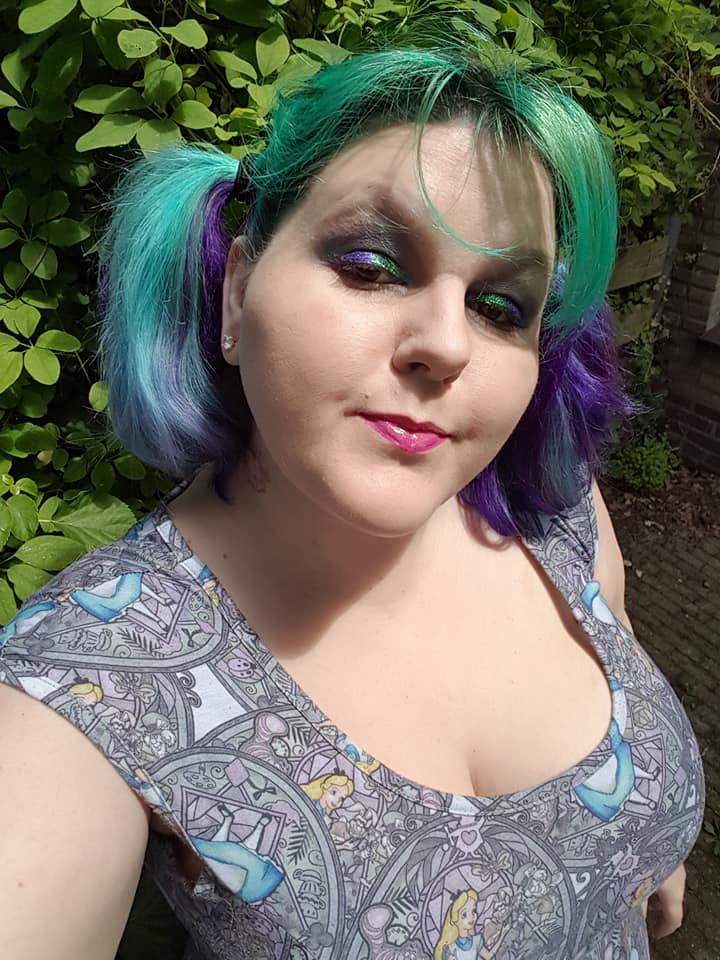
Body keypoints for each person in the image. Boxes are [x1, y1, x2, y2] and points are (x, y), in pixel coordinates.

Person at [0, 26, 704, 960]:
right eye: (371, 266)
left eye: (500, 306)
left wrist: (642, 840)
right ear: (238, 292)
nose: (447, 344)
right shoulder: (94, 674)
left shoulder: (552, 504)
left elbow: (617, 657)